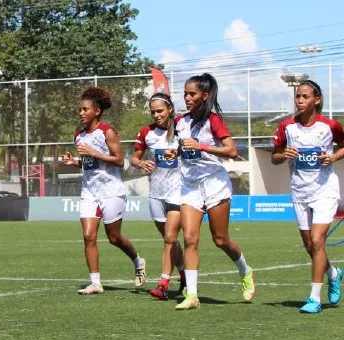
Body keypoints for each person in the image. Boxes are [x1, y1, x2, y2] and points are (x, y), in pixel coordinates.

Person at [170, 73, 255, 310]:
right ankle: (193, 295)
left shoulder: (213, 120)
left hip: (214, 182)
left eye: (192, 94)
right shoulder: (180, 121)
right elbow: (183, 145)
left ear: (204, 96)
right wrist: (175, 152)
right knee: (189, 238)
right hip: (189, 185)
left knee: (220, 239)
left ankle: (245, 271)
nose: (187, 98)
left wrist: (202, 146)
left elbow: (230, 150)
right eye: (185, 93)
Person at [62, 86, 146, 295]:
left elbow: (119, 161)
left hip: (111, 190)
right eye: (80, 110)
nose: (81, 113)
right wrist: (75, 162)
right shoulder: (79, 135)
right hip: (89, 191)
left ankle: (137, 260)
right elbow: (89, 164)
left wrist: (93, 152)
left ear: (96, 111)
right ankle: (96, 283)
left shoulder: (107, 132)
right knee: (88, 235)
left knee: (114, 237)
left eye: (85, 109)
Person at [271, 79, 344, 313]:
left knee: (317, 240)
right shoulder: (287, 127)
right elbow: (274, 156)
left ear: (317, 100)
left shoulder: (329, 126)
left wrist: (332, 158)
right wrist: (284, 154)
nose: (300, 100)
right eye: (297, 97)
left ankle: (314, 298)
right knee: (309, 245)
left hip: (325, 190)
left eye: (305, 97)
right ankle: (334, 273)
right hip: (300, 192)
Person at [132, 93, 186, 299]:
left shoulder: (182, 128)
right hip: (156, 193)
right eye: (153, 111)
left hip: (178, 191)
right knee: (169, 238)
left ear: (170, 109)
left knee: (171, 238)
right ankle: (183, 275)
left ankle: (163, 284)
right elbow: (134, 159)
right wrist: (142, 163)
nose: (156, 115)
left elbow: (192, 151)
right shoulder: (147, 132)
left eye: (160, 111)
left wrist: (180, 152)